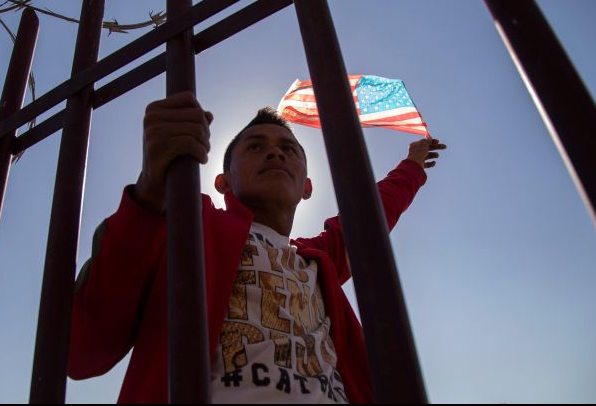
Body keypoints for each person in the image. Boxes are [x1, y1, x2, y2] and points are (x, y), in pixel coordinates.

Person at [68, 91, 446, 403]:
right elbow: (82, 349)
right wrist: (151, 191)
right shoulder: (184, 224)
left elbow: (370, 214)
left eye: (288, 148)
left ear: (307, 187)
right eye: (255, 146)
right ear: (223, 182)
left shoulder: (319, 260)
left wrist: (412, 167)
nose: (275, 152)